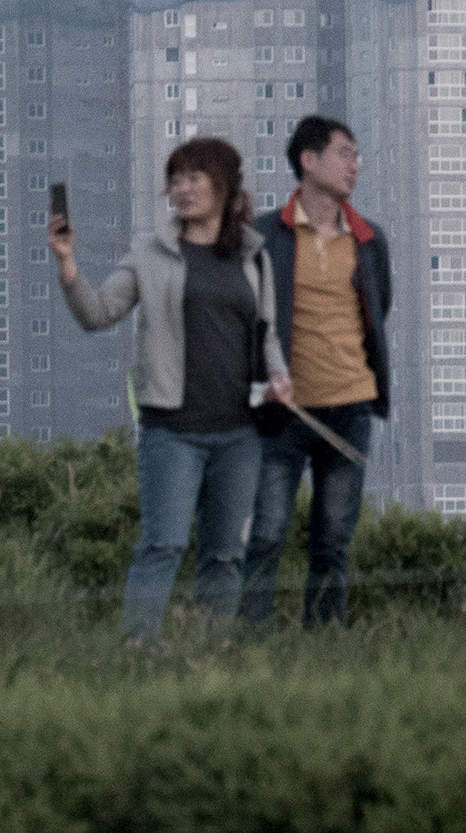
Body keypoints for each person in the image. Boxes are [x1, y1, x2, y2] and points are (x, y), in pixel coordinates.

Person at [52, 136, 291, 639]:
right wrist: (67, 264)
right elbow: (98, 314)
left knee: (226, 556)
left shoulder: (253, 257)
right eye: (175, 179)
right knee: (162, 547)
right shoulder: (150, 253)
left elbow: (266, 333)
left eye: (194, 177)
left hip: (241, 433)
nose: (182, 188)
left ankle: (208, 654)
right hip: (172, 431)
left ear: (223, 187)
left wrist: (279, 378)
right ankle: (137, 649)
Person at [238, 115, 392, 627]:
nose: (355, 165)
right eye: (345, 153)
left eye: (356, 156)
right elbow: (247, 319)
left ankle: (324, 651)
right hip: (283, 413)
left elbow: (378, 309)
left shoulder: (369, 240)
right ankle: (248, 649)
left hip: (350, 409)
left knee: (333, 542)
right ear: (309, 160)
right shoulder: (264, 236)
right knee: (265, 535)